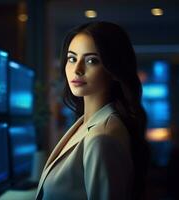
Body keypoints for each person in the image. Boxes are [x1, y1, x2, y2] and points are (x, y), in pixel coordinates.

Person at [35, 21, 150, 200]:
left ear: (113, 69)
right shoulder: (87, 123)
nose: (77, 69)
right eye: (72, 58)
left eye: (91, 60)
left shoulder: (102, 138)